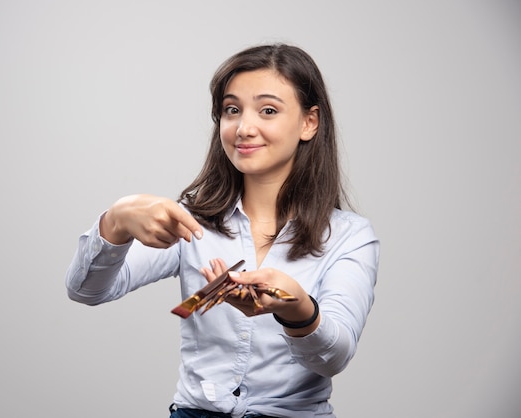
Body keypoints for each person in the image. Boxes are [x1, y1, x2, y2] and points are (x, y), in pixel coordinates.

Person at [65, 43, 380, 418]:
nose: (244, 128)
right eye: (232, 110)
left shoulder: (350, 236)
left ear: (309, 122)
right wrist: (115, 222)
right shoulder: (189, 221)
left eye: (268, 110)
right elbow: (86, 291)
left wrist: (298, 310)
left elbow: (335, 357)